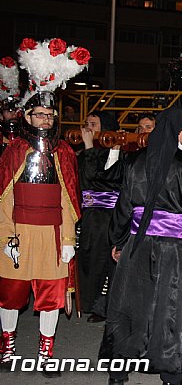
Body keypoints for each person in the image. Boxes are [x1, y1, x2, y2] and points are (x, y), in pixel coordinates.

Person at [102, 106, 182, 385]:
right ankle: (170, 373)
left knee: (130, 305)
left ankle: (118, 370)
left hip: (136, 243)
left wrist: (118, 241)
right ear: (180, 131)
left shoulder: (135, 161)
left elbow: (123, 206)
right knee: (168, 308)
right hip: (171, 247)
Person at [0, 92, 81, 375]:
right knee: (10, 294)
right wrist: (5, 237)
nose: (45, 120)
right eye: (39, 114)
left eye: (50, 115)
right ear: (27, 116)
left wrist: (69, 240)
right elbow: (4, 199)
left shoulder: (64, 152)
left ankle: (46, 353)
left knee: (51, 295)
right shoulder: (14, 150)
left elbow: (68, 201)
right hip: (18, 232)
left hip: (52, 233)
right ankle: (7, 347)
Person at [76, 111, 122, 322]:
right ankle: (90, 301)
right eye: (86, 124)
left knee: (107, 261)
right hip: (91, 216)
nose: (88, 129)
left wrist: (89, 148)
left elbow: (99, 178)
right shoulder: (86, 153)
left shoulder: (115, 152)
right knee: (90, 259)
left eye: (93, 124)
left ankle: (104, 306)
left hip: (110, 217)